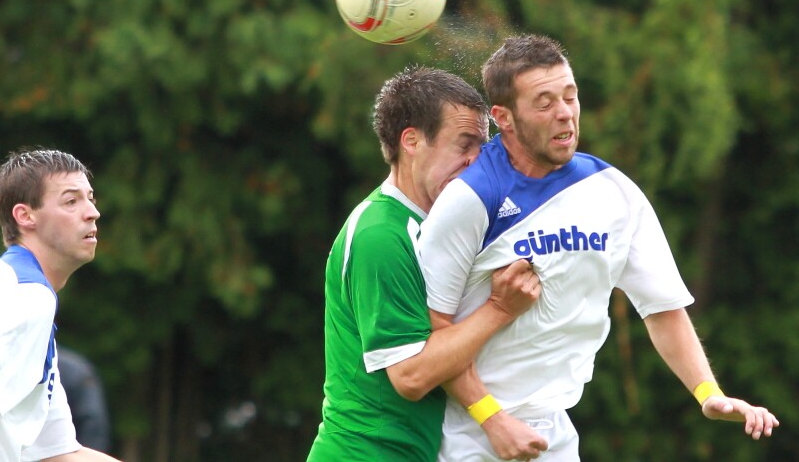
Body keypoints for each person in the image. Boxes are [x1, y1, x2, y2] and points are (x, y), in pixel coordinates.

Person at [419, 34, 780, 461]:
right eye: (544, 103)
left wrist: (708, 392)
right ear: (504, 118)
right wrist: (491, 419)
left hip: (553, 434)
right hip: (469, 434)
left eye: (570, 96)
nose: (565, 113)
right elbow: (435, 332)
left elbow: (662, 308)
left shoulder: (612, 192)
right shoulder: (471, 197)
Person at [306, 67, 547, 461]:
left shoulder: (446, 227)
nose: (476, 162)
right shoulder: (380, 235)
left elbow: (448, 341)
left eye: (482, 148)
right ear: (412, 141)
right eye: (464, 144)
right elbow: (411, 375)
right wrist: (500, 309)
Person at [0, 148, 122, 462]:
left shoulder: (33, 299)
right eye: (71, 201)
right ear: (25, 216)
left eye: (90, 198)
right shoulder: (27, 298)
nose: (92, 212)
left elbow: (61, 453)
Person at [58, 347, 112, 452]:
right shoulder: (76, 369)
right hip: (67, 453)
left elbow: (91, 421)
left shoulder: (74, 370)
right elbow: (93, 423)